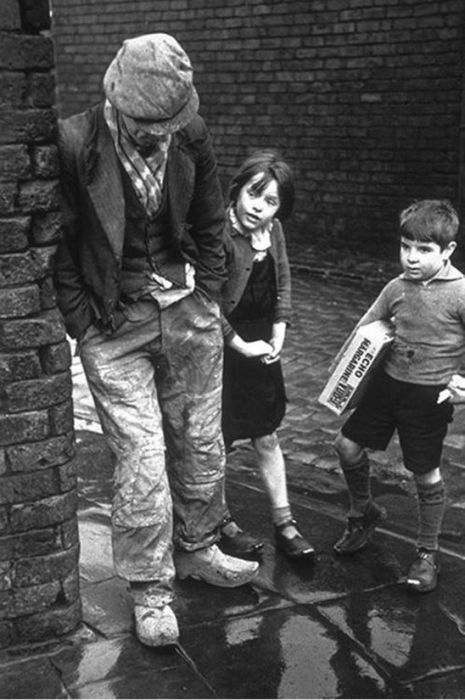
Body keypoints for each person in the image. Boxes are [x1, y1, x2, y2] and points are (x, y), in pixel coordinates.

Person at [54, 33, 258, 649]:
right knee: (142, 460)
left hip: (187, 309)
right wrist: (82, 320)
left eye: (170, 122)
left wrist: (212, 297)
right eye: (147, 124)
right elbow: (58, 240)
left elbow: (209, 221)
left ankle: (197, 548)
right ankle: (150, 590)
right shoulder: (74, 142)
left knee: (201, 443)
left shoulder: (190, 134)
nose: (159, 134)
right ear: (115, 99)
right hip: (114, 324)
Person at [332, 199, 465, 593]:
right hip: (386, 386)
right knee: (346, 446)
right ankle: (363, 511)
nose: (411, 257)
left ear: (448, 251)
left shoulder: (460, 293)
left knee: (424, 472)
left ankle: (426, 554)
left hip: (428, 396)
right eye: (405, 246)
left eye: (424, 250)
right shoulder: (396, 287)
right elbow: (365, 327)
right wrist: (347, 366)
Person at [218, 150, 315, 561]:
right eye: (255, 194)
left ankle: (285, 522)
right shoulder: (217, 232)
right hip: (219, 346)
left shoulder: (273, 231)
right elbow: (204, 303)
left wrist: (278, 333)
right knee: (214, 441)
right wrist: (237, 343)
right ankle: (219, 523)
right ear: (238, 188)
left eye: (272, 200)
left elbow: (284, 280)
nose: (259, 207)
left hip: (260, 343)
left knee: (267, 434)